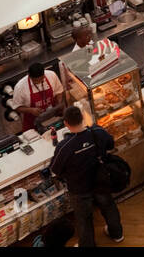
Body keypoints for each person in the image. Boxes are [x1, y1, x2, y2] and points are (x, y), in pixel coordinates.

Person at [51, 105, 124, 247]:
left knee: (83, 218)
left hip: (79, 188)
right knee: (108, 206)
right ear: (83, 118)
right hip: (101, 180)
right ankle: (117, 234)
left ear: (66, 123)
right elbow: (110, 144)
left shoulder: (64, 146)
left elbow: (56, 169)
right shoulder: (97, 131)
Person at [10, 61, 64, 132]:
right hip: (32, 122)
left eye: (41, 79)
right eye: (35, 80)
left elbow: (59, 91)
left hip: (52, 117)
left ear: (44, 74)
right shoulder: (20, 86)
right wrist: (31, 110)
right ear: (29, 76)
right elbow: (16, 107)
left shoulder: (52, 75)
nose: (38, 82)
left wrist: (58, 104)